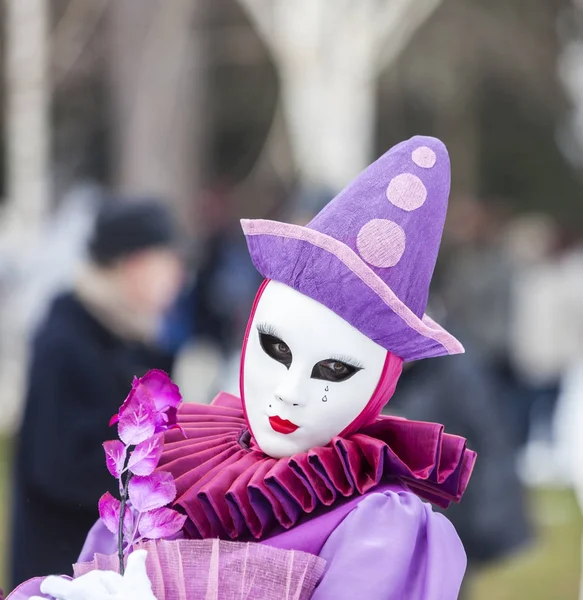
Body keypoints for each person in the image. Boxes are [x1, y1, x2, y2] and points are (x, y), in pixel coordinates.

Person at [10, 136, 475, 599]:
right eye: (276, 348)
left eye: (334, 370)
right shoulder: (184, 463)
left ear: (381, 384)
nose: (290, 391)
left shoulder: (379, 525)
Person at [9, 198, 184, 587]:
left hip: (102, 565)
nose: (178, 276)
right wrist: (151, 484)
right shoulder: (67, 341)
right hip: (61, 569)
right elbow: (55, 467)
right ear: (133, 265)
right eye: (168, 262)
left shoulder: (130, 336)